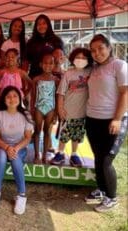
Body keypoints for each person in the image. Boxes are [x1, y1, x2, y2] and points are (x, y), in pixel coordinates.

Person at [84, 34, 128, 212]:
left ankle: (112, 197)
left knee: (106, 160)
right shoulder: (93, 69)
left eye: (100, 48)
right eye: (93, 50)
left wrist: (117, 119)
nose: (97, 53)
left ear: (109, 47)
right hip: (93, 119)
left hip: (113, 120)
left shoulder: (119, 65)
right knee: (98, 157)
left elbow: (125, 93)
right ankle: (102, 189)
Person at [0, 86, 34, 215]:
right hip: (2, 145)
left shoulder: (26, 115)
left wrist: (15, 148)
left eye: (15, 96)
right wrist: (8, 147)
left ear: (20, 98)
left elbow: (27, 138)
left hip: (19, 146)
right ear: (4, 99)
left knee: (15, 159)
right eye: (8, 96)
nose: (12, 99)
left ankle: (22, 195)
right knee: (2, 157)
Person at [51, 47, 93, 167]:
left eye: (84, 58)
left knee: (77, 135)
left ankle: (74, 154)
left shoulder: (90, 71)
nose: (80, 60)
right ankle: (60, 153)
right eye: (78, 57)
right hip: (67, 112)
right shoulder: (68, 74)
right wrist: (60, 108)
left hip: (82, 113)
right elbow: (61, 93)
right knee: (64, 135)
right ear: (72, 59)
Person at [32, 52, 59, 164]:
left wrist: (56, 112)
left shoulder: (56, 80)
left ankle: (44, 156)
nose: (48, 65)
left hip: (50, 108)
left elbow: (57, 97)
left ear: (54, 65)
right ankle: (36, 155)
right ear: (41, 64)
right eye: (45, 63)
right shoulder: (36, 79)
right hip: (39, 107)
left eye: (51, 63)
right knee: (37, 131)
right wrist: (32, 109)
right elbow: (33, 96)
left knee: (47, 131)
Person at [26, 14, 64, 79]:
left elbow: (60, 58)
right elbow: (26, 61)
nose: (41, 26)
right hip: (35, 75)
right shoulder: (31, 42)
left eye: (44, 23)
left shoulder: (56, 40)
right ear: (36, 26)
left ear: (48, 25)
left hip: (52, 76)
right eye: (39, 24)